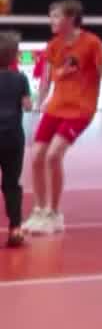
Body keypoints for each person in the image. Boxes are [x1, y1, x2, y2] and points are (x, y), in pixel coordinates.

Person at [24, 0, 102, 236]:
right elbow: (46, 81)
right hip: (55, 107)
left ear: (71, 18)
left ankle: (54, 214)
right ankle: (39, 211)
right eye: (50, 16)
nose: (51, 21)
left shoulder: (92, 43)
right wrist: (38, 105)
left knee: (53, 155)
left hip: (80, 110)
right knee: (36, 155)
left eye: (56, 16)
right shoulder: (53, 46)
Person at [1, 32, 27, 247]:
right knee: (11, 184)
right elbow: (28, 105)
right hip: (13, 138)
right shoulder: (20, 78)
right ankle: (16, 228)